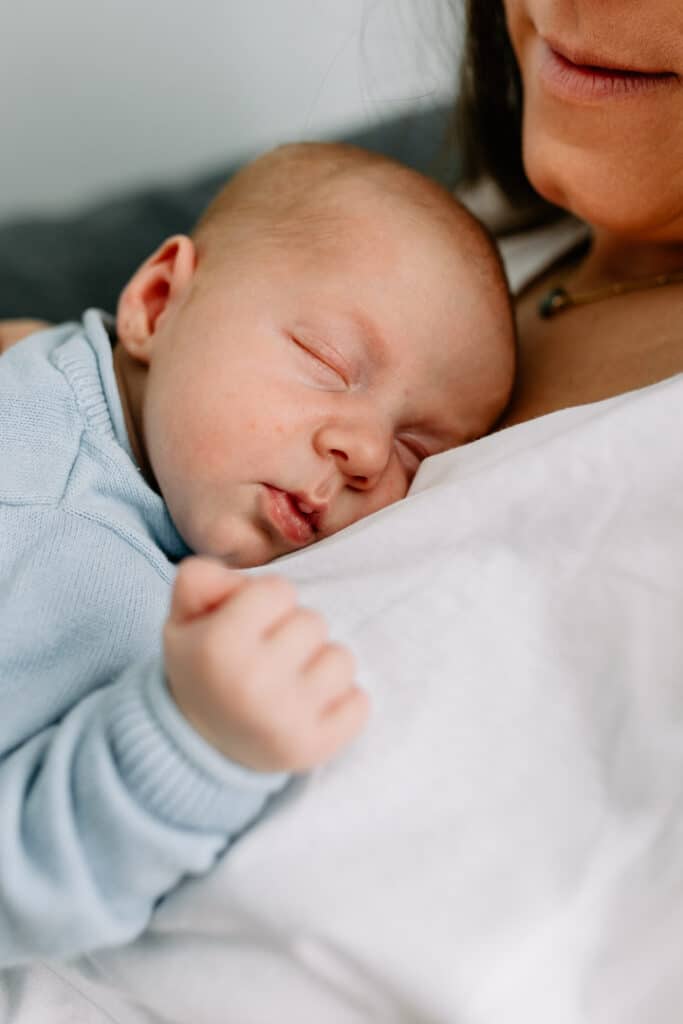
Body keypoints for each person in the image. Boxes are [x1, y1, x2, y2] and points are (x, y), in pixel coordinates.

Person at [0, 140, 516, 965]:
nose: (364, 454)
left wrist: (189, 740)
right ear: (159, 302)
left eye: (416, 453)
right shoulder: (63, 527)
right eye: (328, 364)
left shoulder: (139, 587)